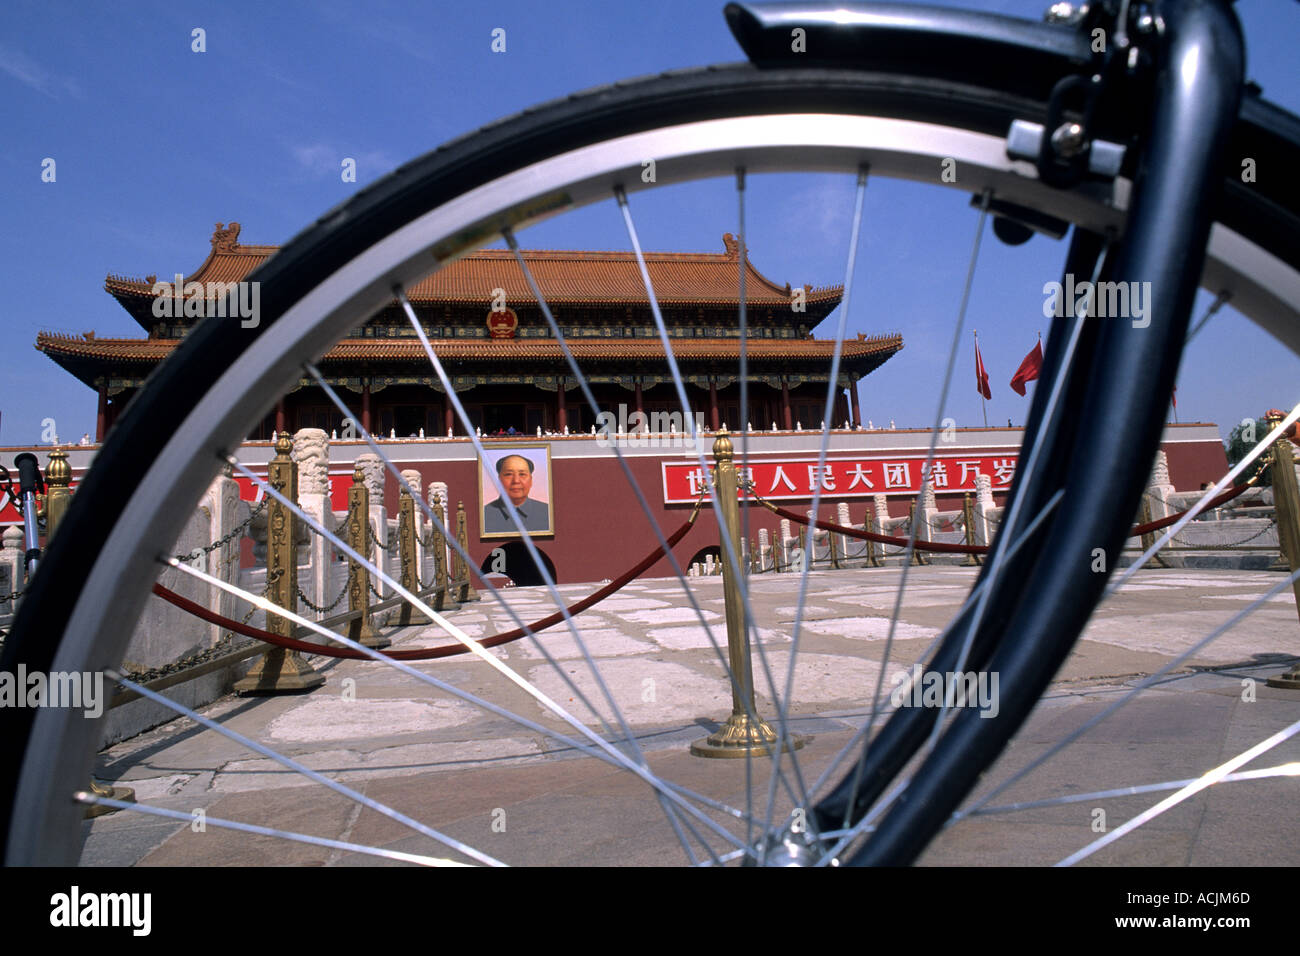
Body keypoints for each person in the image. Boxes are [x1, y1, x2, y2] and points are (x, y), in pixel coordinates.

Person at [484, 453, 551, 533]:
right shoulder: (484, 515)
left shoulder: (547, 513)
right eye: (509, 474)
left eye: (522, 474)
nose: (516, 481)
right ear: (499, 480)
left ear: (531, 480)